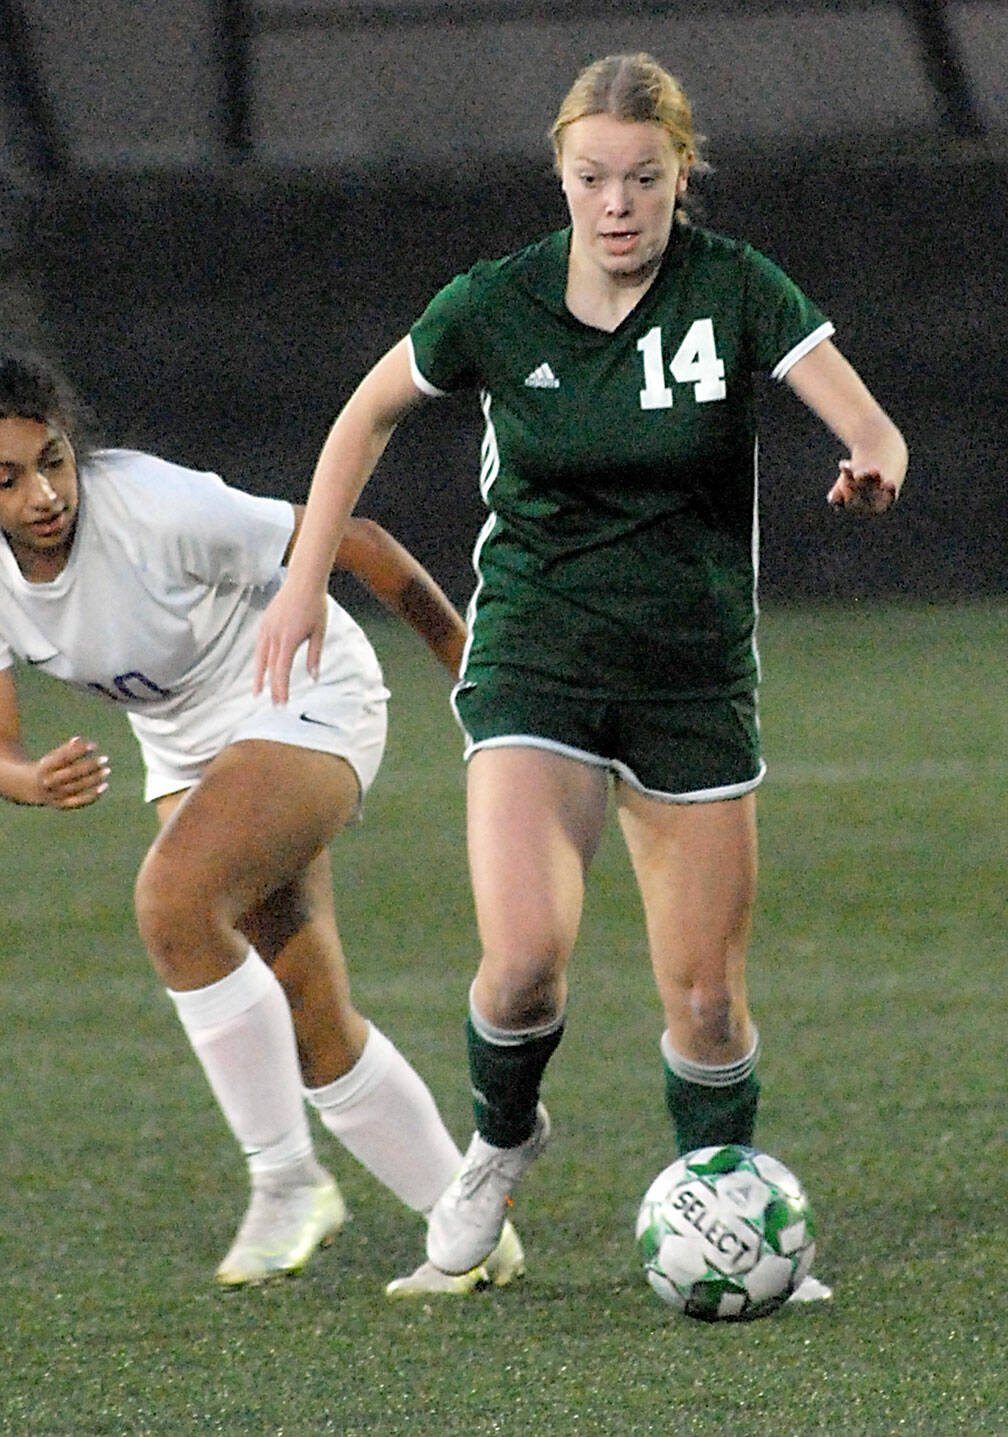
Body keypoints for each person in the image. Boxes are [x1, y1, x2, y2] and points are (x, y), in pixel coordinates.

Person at [255, 52, 907, 1290]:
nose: (617, 204)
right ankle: (499, 1143)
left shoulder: (734, 288)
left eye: (643, 179)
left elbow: (868, 424)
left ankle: (724, 1215)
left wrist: (873, 464)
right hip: (535, 657)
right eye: (593, 177)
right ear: (558, 175)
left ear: (680, 175)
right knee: (518, 969)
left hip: (689, 673)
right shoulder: (495, 303)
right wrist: (302, 578)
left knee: (705, 1004)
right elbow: (364, 414)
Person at [0, 322, 526, 1297]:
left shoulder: (150, 503)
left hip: (302, 685)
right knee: (308, 1009)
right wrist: (29, 779)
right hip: (186, 741)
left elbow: (359, 544)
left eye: (53, 461)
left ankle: (286, 1182)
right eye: (7, 478)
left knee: (172, 901)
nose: (44, 493)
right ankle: (470, 1224)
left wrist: (481, 681)